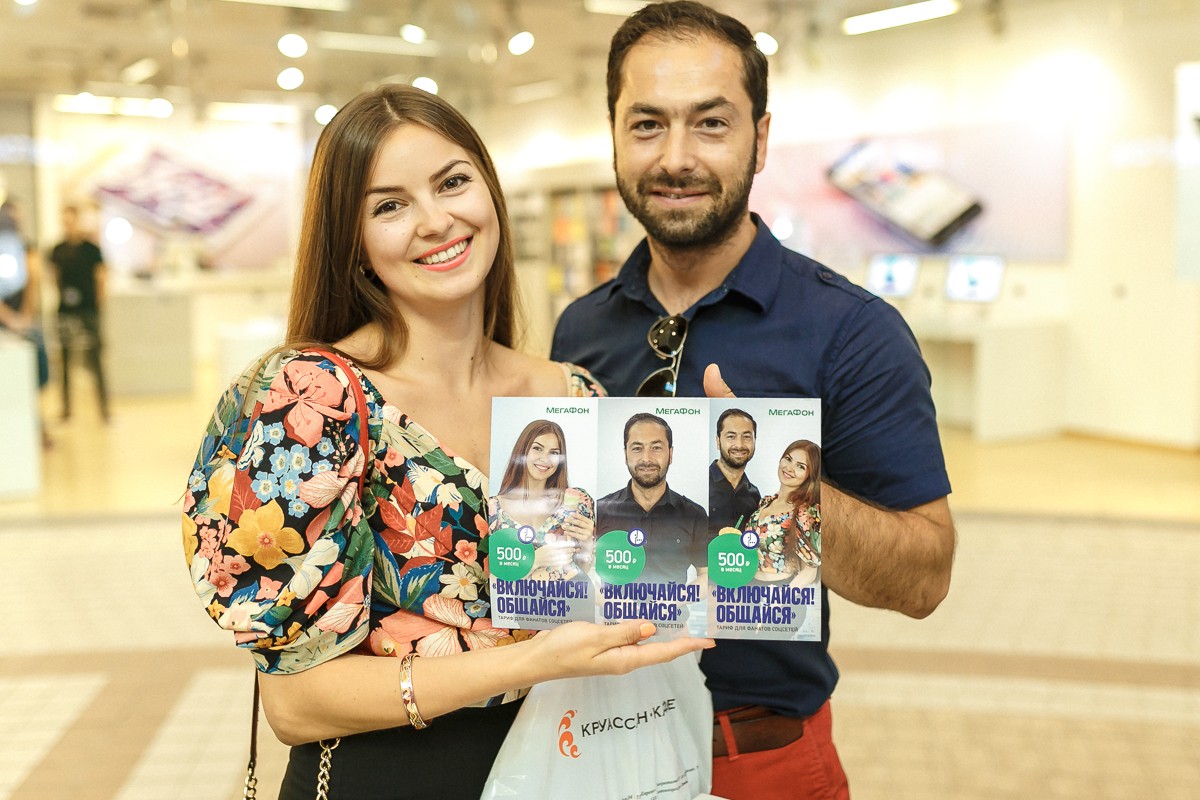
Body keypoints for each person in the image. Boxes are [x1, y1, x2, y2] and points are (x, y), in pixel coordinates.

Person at [182, 84, 712, 800]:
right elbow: (295, 705)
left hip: (569, 769)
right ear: (353, 241)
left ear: (490, 193)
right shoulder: (315, 399)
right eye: (389, 206)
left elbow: (628, 588)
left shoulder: (573, 394)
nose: (436, 221)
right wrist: (530, 663)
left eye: (453, 182)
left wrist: (725, 484)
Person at [550, 3, 956, 798]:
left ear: (760, 140)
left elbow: (924, 580)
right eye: (647, 124)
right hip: (591, 746)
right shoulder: (582, 327)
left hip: (758, 759)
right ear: (614, 136)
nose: (676, 157)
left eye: (711, 123)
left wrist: (773, 483)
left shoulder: (851, 330)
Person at [595, 412, 707, 586]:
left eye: (656, 448)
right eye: (637, 448)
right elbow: (583, 571)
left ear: (670, 454)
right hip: (612, 605)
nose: (646, 459)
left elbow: (706, 574)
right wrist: (609, 599)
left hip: (673, 604)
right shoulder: (599, 511)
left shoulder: (694, 515)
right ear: (625, 454)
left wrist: (678, 597)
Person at [489, 418, 596, 581]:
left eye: (554, 453)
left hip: (567, 596)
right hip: (516, 598)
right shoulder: (493, 509)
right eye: (537, 448)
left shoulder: (580, 501)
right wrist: (534, 561)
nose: (545, 459)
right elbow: (491, 582)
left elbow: (582, 571)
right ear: (522, 451)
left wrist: (587, 543)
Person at [47, 204, 109, 422]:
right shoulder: (57, 250)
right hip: (66, 312)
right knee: (65, 359)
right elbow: (54, 277)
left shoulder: (91, 250)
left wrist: (97, 306)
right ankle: (66, 410)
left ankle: (104, 410)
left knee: (95, 360)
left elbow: (101, 278)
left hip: (88, 310)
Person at [0, 199, 51, 447]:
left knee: (35, 372)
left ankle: (36, 426)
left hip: (23, 321)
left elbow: (33, 284)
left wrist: (24, 318)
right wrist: (9, 318)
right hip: (6, 321)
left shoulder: (26, 247)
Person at [747, 439, 822, 586]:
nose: (789, 468)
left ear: (810, 475)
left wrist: (782, 596)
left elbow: (809, 572)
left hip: (781, 589)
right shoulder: (765, 502)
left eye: (800, 466)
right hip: (750, 586)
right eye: (788, 459)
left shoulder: (806, 513)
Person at [708, 407, 760, 536]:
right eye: (731, 436)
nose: (739, 445)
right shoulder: (700, 484)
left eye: (746, 437)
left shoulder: (754, 495)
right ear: (718, 441)